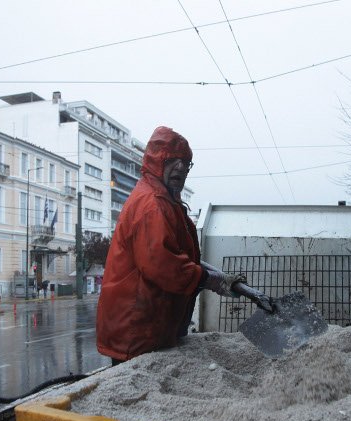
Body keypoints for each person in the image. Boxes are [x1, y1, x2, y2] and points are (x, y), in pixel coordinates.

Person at [96, 126, 242, 364]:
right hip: (136, 331)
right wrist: (211, 280)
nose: (181, 168)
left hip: (148, 327)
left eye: (186, 163)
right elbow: (163, 265)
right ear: (156, 161)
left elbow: (176, 255)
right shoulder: (151, 205)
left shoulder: (166, 201)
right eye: (173, 160)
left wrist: (215, 275)